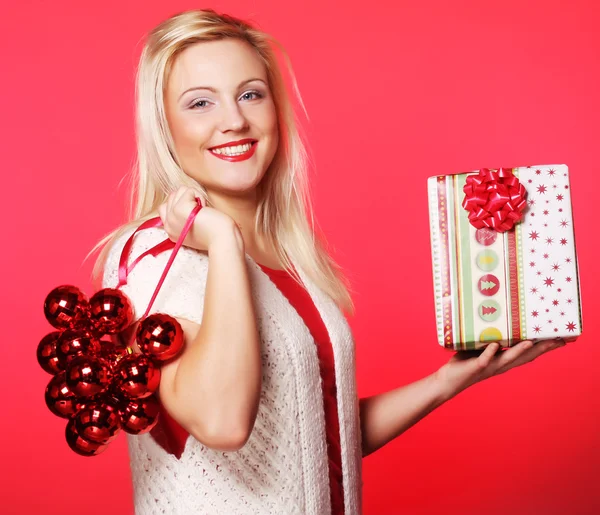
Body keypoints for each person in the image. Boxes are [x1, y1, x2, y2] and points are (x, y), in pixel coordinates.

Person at [94, 9, 566, 515]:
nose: (234, 119)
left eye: (250, 93)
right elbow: (223, 422)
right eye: (200, 102)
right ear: (164, 125)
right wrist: (224, 241)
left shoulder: (285, 259)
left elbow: (314, 441)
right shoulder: (152, 261)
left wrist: (447, 382)